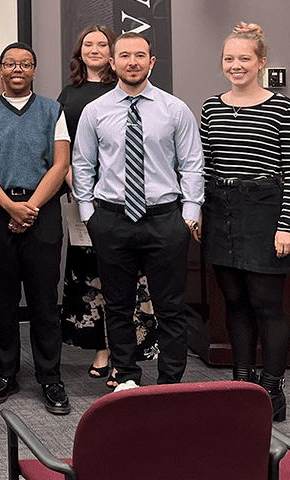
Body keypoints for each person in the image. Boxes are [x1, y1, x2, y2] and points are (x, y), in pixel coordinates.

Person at [72, 32, 204, 390]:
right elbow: (82, 164)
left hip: (165, 220)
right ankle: (127, 377)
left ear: (152, 62)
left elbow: (193, 164)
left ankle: (170, 383)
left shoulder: (174, 110)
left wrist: (189, 214)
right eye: (125, 55)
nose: (133, 62)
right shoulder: (94, 111)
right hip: (112, 220)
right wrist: (89, 214)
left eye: (140, 55)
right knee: (117, 307)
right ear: (113, 63)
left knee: (170, 309)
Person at [201, 22, 290, 421]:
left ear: (261, 62)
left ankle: (272, 389)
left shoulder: (283, 107)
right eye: (229, 58)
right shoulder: (211, 107)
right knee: (235, 303)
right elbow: (205, 167)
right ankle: (243, 385)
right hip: (221, 209)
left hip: (265, 211)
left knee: (267, 305)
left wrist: (288, 224)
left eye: (244, 58)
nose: (236, 65)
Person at [0, 43, 71, 415]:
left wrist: (29, 207)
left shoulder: (52, 110)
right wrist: (10, 207)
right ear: (1, 68)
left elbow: (60, 164)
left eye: (25, 64)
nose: (17, 69)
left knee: (45, 301)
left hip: (41, 211)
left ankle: (51, 378)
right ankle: (6, 374)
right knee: (3, 300)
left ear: (34, 69)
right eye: (10, 63)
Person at [57, 25, 158, 387]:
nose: (95, 49)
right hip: (84, 198)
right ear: (79, 51)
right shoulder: (69, 94)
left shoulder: (130, 91)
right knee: (91, 273)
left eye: (103, 44)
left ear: (114, 55)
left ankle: (123, 352)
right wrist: (80, 189)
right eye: (89, 44)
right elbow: (63, 148)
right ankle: (102, 348)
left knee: (129, 275)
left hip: (127, 200)